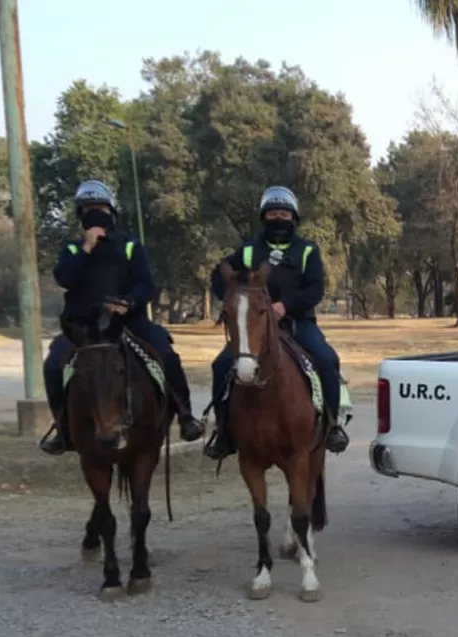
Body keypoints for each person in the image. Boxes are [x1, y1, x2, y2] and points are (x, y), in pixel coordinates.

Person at [38, 179, 204, 455]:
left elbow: (146, 284)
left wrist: (129, 302)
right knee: (54, 363)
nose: (95, 212)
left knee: (165, 352)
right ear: (80, 215)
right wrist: (86, 248)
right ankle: (63, 428)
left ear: (111, 210)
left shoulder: (130, 246)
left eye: (100, 207)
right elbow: (64, 278)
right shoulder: (72, 249)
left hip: (128, 321)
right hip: (85, 328)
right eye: (88, 208)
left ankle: (185, 414)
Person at [202, 185, 348, 459]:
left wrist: (286, 305)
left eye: (283, 213)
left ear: (293, 218)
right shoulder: (247, 251)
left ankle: (331, 426)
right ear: (263, 217)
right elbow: (219, 277)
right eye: (272, 214)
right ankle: (223, 433)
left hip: (297, 322)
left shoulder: (307, 251)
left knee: (327, 359)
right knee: (221, 364)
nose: (278, 218)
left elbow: (315, 288)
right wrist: (234, 300)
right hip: (255, 326)